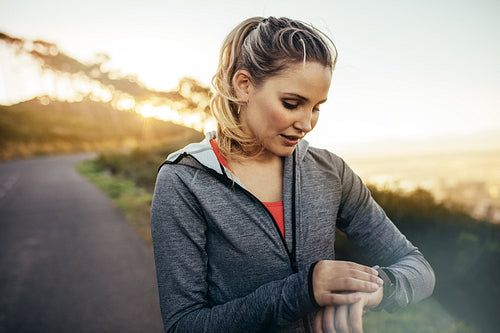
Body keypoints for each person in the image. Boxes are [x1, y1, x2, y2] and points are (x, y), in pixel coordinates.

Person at [151, 16, 435, 333]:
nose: (306, 123)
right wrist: (303, 291)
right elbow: (183, 325)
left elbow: (417, 267)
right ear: (243, 85)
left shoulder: (331, 172)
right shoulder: (183, 181)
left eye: (315, 107)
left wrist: (374, 288)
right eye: (292, 103)